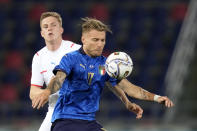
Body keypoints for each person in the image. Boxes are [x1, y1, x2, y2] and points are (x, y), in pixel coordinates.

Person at [32, 17, 174, 131]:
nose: (100, 44)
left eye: (102, 40)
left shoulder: (104, 66)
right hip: (66, 121)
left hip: (89, 122)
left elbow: (128, 87)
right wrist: (47, 91)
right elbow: (59, 79)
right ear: (84, 40)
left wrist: (155, 98)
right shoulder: (71, 59)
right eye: (95, 40)